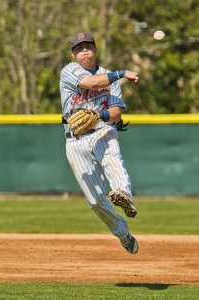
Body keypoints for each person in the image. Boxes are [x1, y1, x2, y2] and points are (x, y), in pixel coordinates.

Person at [59, 32, 139, 254]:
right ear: (73, 54)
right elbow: (90, 83)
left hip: (102, 130)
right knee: (95, 200)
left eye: (88, 46)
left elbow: (116, 114)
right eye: (79, 48)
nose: (84, 50)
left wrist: (99, 116)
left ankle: (124, 194)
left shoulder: (109, 77)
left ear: (95, 50)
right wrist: (122, 73)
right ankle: (122, 232)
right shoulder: (69, 71)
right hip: (75, 140)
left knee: (113, 159)